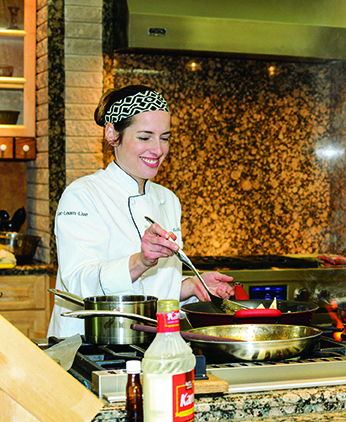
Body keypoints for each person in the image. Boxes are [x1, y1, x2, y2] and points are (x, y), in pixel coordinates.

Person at [48, 85, 235, 338]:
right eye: (145, 137)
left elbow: (154, 292)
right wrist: (141, 261)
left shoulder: (167, 200)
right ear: (113, 134)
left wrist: (190, 286)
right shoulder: (82, 195)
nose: (158, 150)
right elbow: (80, 285)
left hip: (150, 344)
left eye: (165, 138)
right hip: (88, 346)